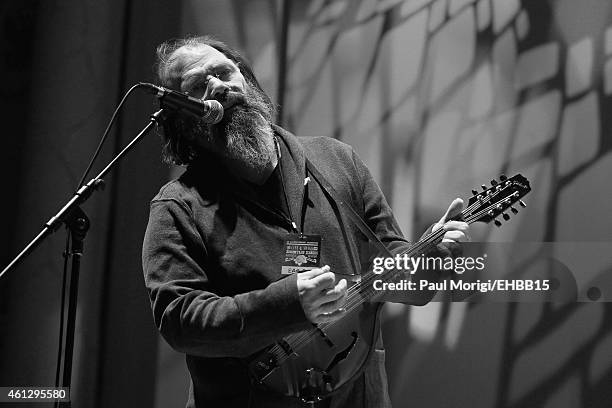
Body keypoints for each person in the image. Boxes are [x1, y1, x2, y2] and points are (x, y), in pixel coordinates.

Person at [142, 36, 469, 408]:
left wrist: (430, 260)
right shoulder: (177, 206)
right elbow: (180, 320)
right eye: (199, 86)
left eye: (223, 72)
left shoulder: (337, 160)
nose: (218, 85)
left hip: (356, 394)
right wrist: (286, 304)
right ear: (184, 122)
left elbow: (396, 276)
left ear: (246, 80)